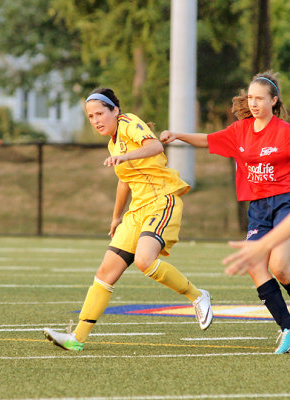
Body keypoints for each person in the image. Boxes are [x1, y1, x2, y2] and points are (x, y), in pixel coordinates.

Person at [43, 88, 213, 351]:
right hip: (137, 211)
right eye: (90, 116)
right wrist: (116, 217)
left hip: (161, 200)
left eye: (100, 113)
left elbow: (154, 145)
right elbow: (125, 181)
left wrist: (125, 156)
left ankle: (198, 295)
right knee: (104, 273)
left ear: (115, 111)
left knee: (145, 261)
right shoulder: (113, 142)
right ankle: (77, 338)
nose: (96, 119)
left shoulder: (130, 123)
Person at [160, 71, 290, 354]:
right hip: (258, 208)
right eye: (250, 98)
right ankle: (287, 329)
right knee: (255, 266)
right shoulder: (240, 130)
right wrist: (178, 135)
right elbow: (207, 140)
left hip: (285, 204)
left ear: (274, 100)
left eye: (260, 99)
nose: (253, 103)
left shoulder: (285, 132)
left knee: (280, 267)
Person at [223, 213, 290, 276]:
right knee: (254, 266)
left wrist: (264, 245)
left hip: (283, 203)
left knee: (280, 267)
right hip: (257, 206)